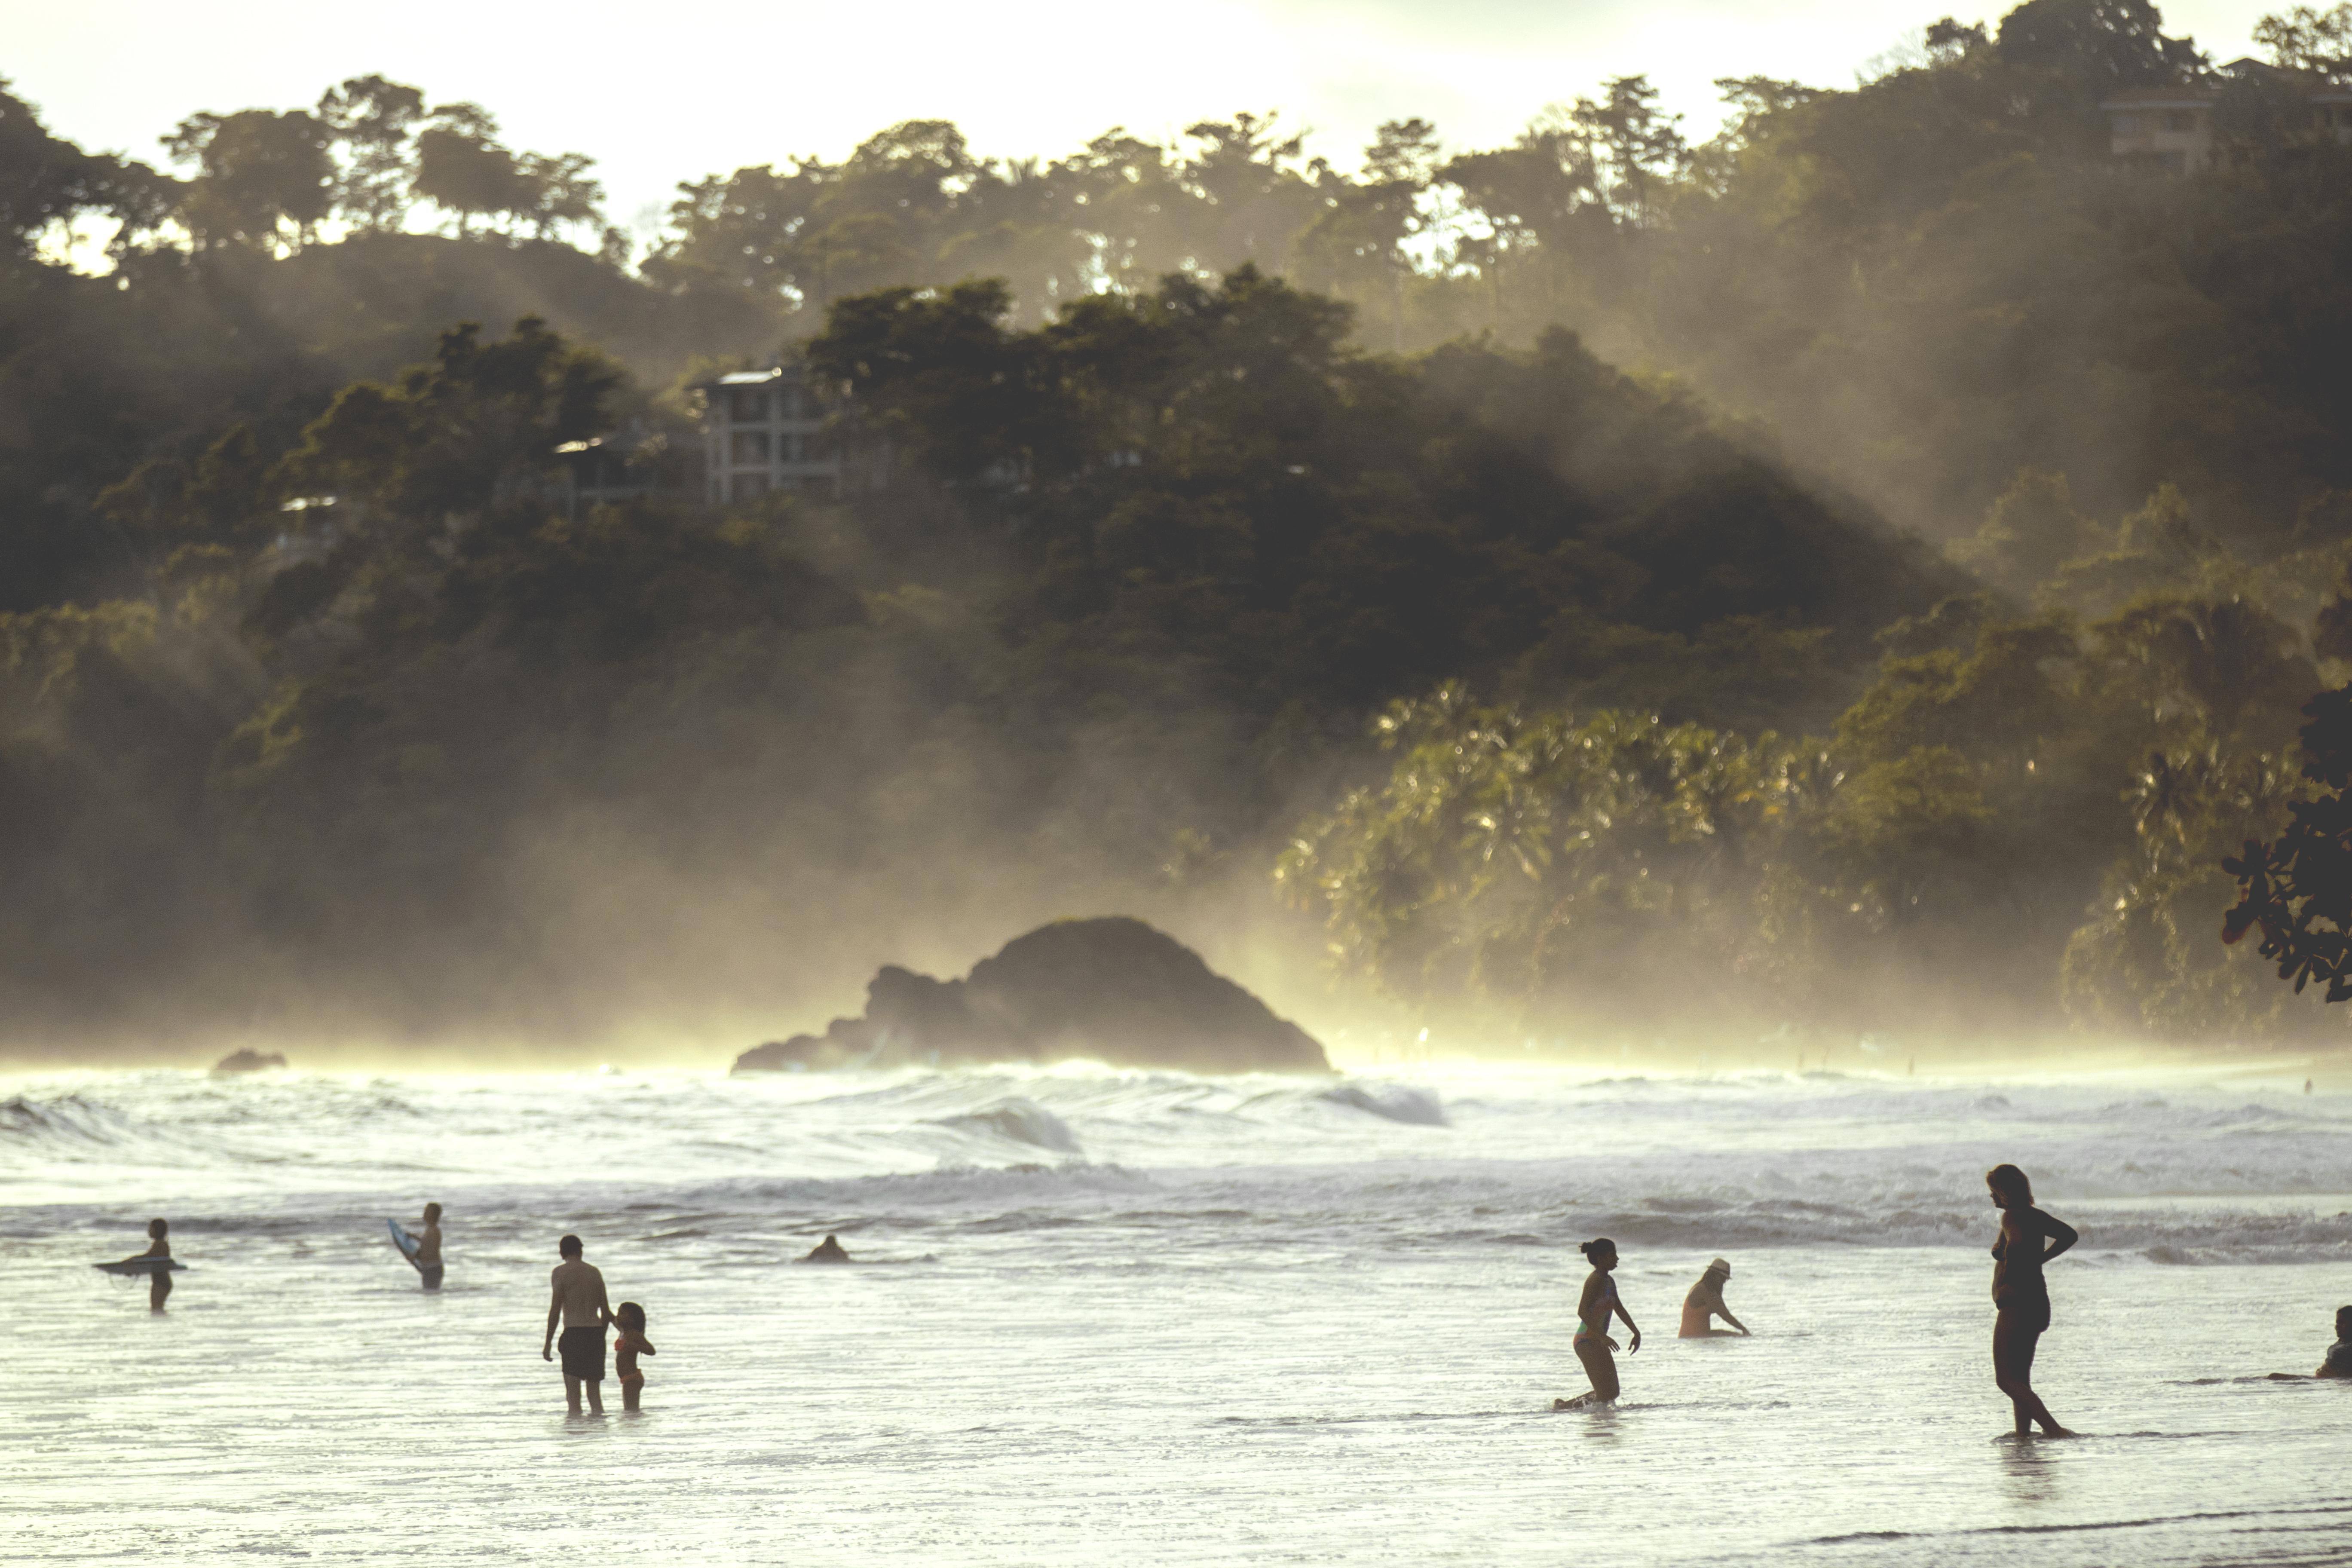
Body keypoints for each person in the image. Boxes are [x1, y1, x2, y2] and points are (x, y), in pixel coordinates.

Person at [1987, 1163, 2077, 1438]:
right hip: (2037, 1300)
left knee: (2005, 1379)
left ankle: (2053, 1429)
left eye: (1994, 1192)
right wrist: (2041, 1258)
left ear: (2004, 1192)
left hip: (2017, 1304)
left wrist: (2009, 1280)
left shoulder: (2012, 1217)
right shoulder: (2034, 1215)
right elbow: (2070, 1235)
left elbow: (2015, 1243)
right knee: (2020, 1378)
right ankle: (2023, 1436)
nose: (1991, 1198)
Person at [1555, 1237, 1640, 1409]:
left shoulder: (1609, 1281)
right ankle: (1571, 1411)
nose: (1617, 1259)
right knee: (1604, 1393)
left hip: (1598, 1340)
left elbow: (1619, 1308)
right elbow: (1582, 1311)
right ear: (1601, 1258)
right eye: (1612, 1255)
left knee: (1611, 1392)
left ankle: (1565, 1407)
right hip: (1587, 1340)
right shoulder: (1595, 1280)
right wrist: (1603, 1336)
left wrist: (1636, 1332)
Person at [541, 1234, 612, 1415]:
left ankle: (577, 1435)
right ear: (581, 1250)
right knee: (595, 1396)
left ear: (562, 1252)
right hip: (595, 1333)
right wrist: (601, 1336)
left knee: (573, 1396)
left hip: (574, 1333)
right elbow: (606, 1312)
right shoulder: (594, 1272)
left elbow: (555, 1310)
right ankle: (597, 1433)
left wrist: (548, 1342)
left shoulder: (560, 1272)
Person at [1679, 1258, 1750, 1337]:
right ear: (1714, 1275)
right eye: (1723, 1278)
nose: (1724, 1282)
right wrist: (1744, 1329)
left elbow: (1722, 1309)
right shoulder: (1705, 1291)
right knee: (1740, 1337)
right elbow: (1724, 1314)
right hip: (1695, 1337)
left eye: (1726, 1279)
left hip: (1692, 1336)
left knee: (1734, 1335)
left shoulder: (1701, 1287)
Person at [609, 1301, 656, 1412]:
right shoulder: (623, 1333)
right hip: (626, 1379)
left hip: (633, 1378)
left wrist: (634, 1346)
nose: (618, 1316)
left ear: (632, 1319)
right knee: (629, 1411)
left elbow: (652, 1351)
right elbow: (611, 1318)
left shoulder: (635, 1334)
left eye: (622, 1314)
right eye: (618, 1313)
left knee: (632, 1411)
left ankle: (635, 1428)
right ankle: (633, 1428)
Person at [124, 1218, 173, 1312]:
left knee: (156, 1308)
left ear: (157, 1230)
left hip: (161, 1282)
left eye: (151, 1229)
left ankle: (161, 1324)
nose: (149, 1231)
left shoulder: (160, 1244)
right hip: (162, 1281)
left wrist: (133, 1260)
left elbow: (149, 1258)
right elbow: (150, 1261)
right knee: (157, 1308)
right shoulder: (161, 1244)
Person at [412, 1203, 444, 1291]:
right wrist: (414, 1237)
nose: (424, 1214)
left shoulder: (435, 1230)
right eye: (425, 1211)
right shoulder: (429, 1229)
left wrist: (416, 1257)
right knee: (429, 1294)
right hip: (428, 1268)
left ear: (434, 1215)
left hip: (433, 1268)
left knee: (431, 1294)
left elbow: (433, 1251)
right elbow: (426, 1243)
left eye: (427, 1212)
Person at [2316, 1306, 2352, 1378]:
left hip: (2336, 1383)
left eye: (2342, 1323)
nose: (2337, 1327)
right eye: (2337, 1323)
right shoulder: (2342, 1341)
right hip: (2326, 1381)